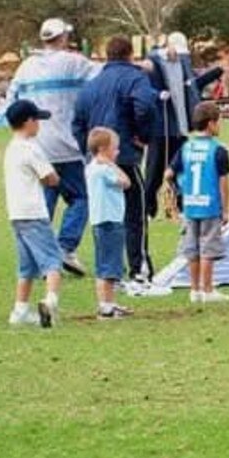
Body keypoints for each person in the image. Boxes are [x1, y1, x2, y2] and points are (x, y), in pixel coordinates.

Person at [7, 18, 98, 277]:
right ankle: (65, 247)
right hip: (68, 145)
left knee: (43, 203)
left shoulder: (26, 66)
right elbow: (104, 76)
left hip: (36, 145)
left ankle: (38, 259)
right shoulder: (74, 61)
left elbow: (11, 99)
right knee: (82, 197)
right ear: (63, 38)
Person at [72, 36, 158, 288]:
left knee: (104, 217)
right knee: (135, 214)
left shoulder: (91, 85)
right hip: (124, 156)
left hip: (97, 161)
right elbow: (145, 105)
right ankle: (138, 268)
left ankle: (110, 273)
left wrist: (89, 152)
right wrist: (143, 136)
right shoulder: (135, 78)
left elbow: (77, 122)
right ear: (130, 54)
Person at [143, 32, 222, 220]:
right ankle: (148, 209)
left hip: (181, 127)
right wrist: (157, 94)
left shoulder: (184, 63)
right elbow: (146, 84)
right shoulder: (155, 62)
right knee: (154, 172)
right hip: (160, 128)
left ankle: (179, 207)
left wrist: (216, 72)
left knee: (180, 171)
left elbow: (194, 85)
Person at [2, 100, 63, 328]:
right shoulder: (31, 147)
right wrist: (54, 178)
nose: (39, 125)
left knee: (26, 266)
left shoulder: (11, 148)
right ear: (28, 121)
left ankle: (20, 310)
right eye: (36, 120)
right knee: (53, 261)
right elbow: (50, 177)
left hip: (16, 213)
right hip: (34, 212)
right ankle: (51, 301)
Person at [166, 102, 229, 304]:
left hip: (190, 206)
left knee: (192, 250)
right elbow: (223, 183)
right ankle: (208, 289)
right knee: (207, 249)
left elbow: (169, 173)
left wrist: (178, 192)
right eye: (219, 121)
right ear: (211, 123)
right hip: (210, 206)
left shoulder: (186, 147)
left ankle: (194, 290)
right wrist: (225, 209)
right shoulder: (218, 150)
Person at [85, 127, 133, 320]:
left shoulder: (90, 167)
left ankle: (110, 303)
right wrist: (112, 165)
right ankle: (105, 306)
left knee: (106, 264)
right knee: (109, 266)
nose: (118, 152)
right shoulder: (104, 170)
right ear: (104, 149)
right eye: (115, 148)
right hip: (109, 221)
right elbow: (126, 182)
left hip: (100, 220)